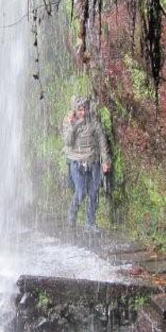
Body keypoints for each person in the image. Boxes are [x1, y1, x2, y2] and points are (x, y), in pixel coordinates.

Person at [63, 95, 111, 231]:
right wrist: (73, 125)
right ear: (74, 110)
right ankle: (72, 216)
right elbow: (67, 142)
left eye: (85, 109)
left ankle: (90, 223)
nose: (83, 113)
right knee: (81, 191)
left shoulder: (93, 121)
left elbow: (102, 140)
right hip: (76, 162)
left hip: (93, 160)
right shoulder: (68, 121)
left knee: (94, 193)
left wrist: (105, 161)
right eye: (79, 110)